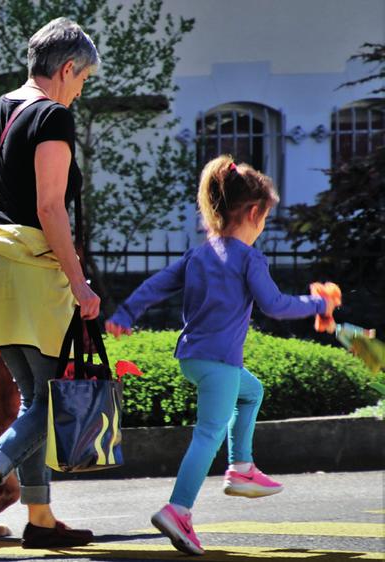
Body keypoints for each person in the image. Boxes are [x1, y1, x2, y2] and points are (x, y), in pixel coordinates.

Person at [105, 156, 335, 555]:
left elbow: (157, 283)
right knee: (208, 434)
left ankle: (241, 467)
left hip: (192, 359)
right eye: (265, 218)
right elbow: (275, 305)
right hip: (220, 363)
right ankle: (178, 509)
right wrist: (317, 304)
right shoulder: (249, 258)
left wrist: (126, 313)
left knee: (252, 391)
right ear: (253, 213)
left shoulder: (199, 254)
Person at [0, 17, 101, 550]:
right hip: (32, 270)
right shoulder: (52, 117)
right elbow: (51, 207)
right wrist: (80, 284)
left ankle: (42, 521)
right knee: (52, 403)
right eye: (83, 79)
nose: (80, 90)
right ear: (67, 67)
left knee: (34, 399)